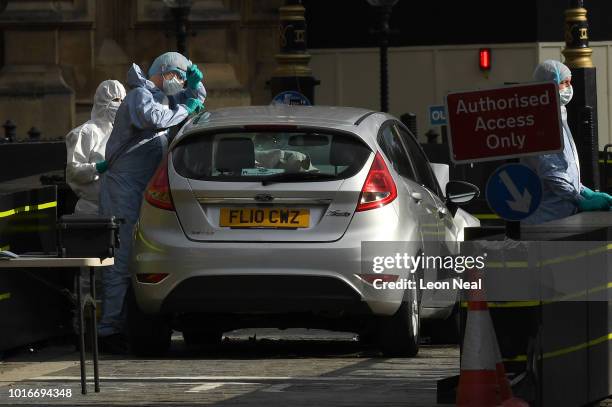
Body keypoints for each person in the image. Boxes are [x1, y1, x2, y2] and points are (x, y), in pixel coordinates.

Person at [97, 52, 206, 353]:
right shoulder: (140, 96)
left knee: (137, 259)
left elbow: (195, 109)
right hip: (123, 191)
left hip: (140, 191)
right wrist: (188, 103)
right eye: (180, 77)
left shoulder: (164, 97)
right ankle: (109, 330)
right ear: (166, 72)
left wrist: (195, 89)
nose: (181, 83)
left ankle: (123, 324)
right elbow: (156, 119)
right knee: (120, 261)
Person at [521, 60, 612, 224]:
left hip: (562, 215)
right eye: (564, 83)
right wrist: (579, 198)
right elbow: (552, 174)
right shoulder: (541, 122)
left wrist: (586, 192)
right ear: (548, 85)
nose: (569, 88)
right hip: (547, 219)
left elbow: (566, 170)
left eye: (570, 82)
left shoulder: (556, 117)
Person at [66, 80, 126, 215]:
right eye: (116, 99)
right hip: (91, 211)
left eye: (123, 100)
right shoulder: (86, 132)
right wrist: (99, 167)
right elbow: (73, 172)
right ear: (102, 101)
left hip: (119, 209)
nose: (120, 104)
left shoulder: (120, 133)